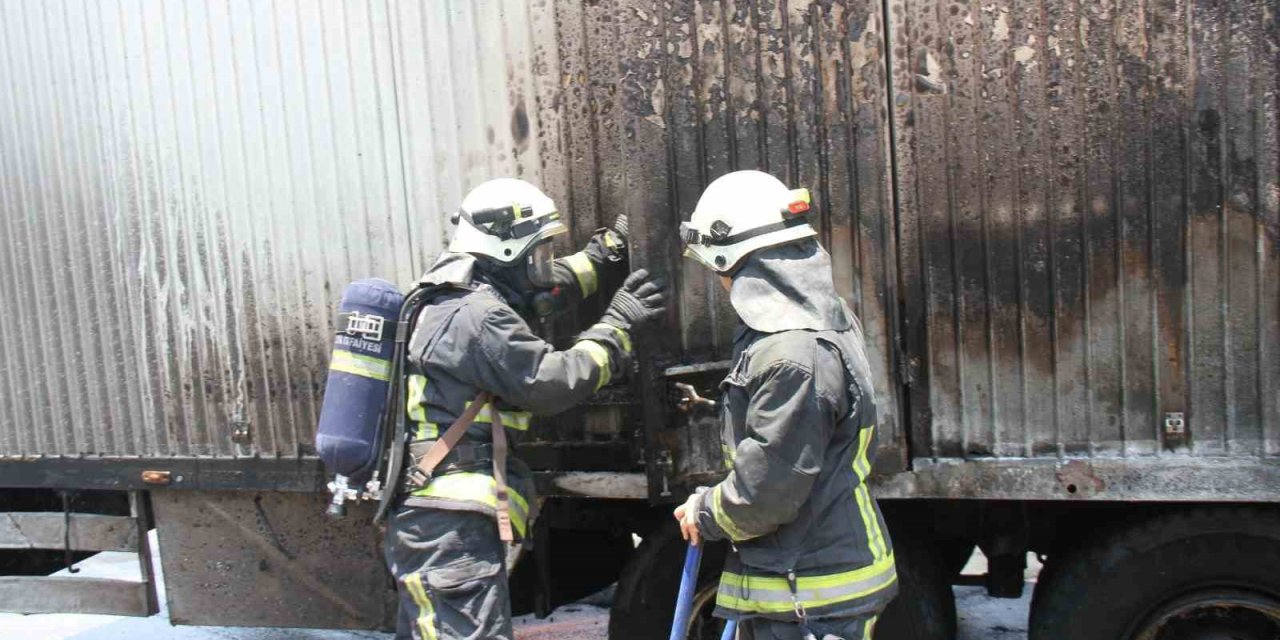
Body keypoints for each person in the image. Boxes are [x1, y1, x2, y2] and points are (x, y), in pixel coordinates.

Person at [385, 178, 666, 640]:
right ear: (507, 253)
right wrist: (617, 327)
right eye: (537, 253)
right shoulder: (476, 316)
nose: (546, 264)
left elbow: (545, 291)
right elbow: (551, 383)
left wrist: (606, 253)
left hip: (437, 518)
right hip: (449, 525)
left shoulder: (457, 296)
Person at [673, 170, 898, 640]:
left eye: (716, 267)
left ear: (732, 258)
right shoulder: (821, 321)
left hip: (811, 594)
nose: (717, 280)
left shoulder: (791, 356)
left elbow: (768, 492)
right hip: (809, 580)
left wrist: (707, 510)